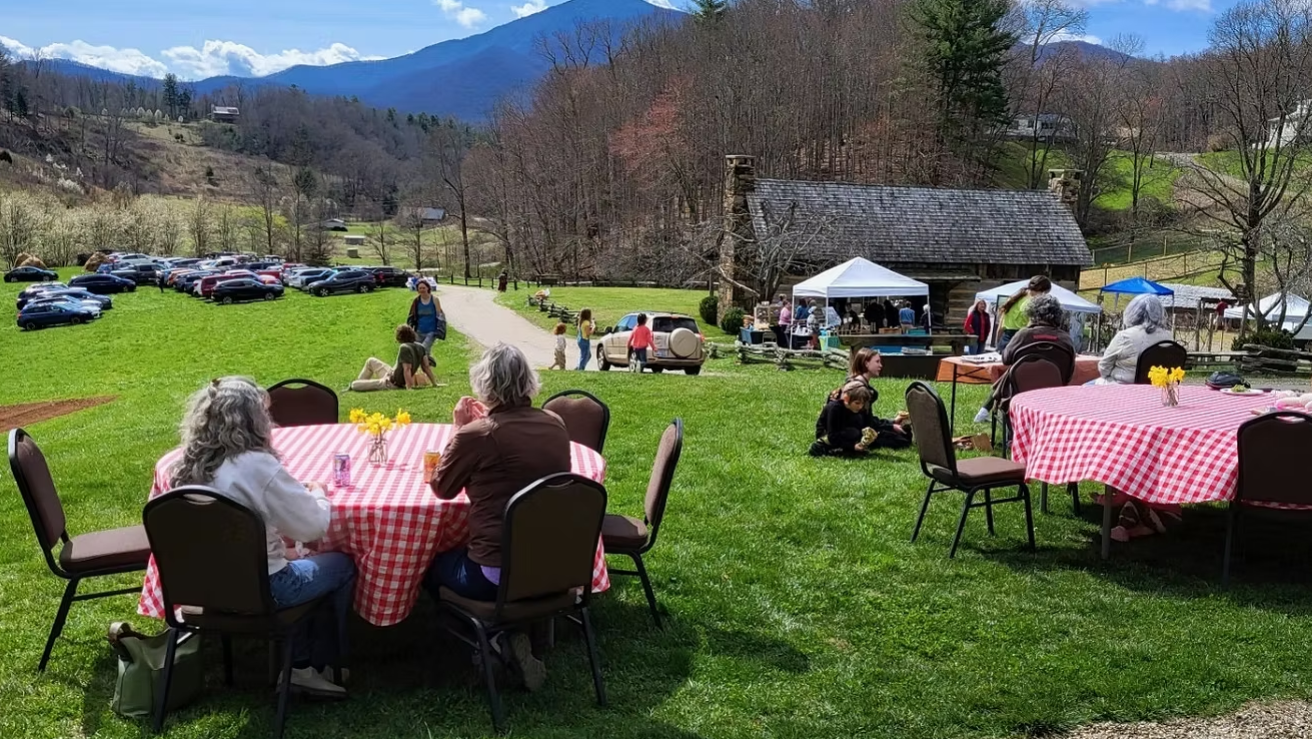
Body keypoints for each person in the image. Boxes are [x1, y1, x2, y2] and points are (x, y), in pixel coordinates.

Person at [169, 377, 355, 698]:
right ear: (253, 419)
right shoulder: (256, 466)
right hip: (264, 590)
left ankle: (297, 659)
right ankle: (309, 667)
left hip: (201, 587)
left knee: (299, 560)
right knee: (340, 563)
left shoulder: (186, 466)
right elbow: (311, 527)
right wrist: (320, 494)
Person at [426, 343, 570, 691]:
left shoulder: (480, 434)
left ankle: (491, 639)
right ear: (528, 382)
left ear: (486, 385)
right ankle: (518, 633)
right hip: (556, 565)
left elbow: (442, 488)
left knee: (429, 567)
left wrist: (460, 430)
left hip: (497, 573)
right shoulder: (556, 423)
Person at [973, 294, 1072, 423]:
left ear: (1031, 314)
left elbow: (1006, 359)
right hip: (1053, 396)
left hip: (1020, 394)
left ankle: (1010, 434)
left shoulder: (1024, 335)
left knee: (1009, 376)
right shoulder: (1066, 339)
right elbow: (1069, 373)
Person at [824, 348, 913, 448]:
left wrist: (892, 422)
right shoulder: (859, 389)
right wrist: (890, 426)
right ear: (866, 363)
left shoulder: (856, 383)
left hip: (855, 427)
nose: (880, 365)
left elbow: (866, 418)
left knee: (901, 434)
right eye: (877, 362)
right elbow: (865, 422)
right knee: (902, 439)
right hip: (850, 432)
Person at [1093, 294, 1168, 385]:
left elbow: (1103, 368)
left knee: (1085, 387)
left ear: (1134, 312)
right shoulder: (1169, 337)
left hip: (1123, 388)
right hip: (1158, 388)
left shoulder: (1124, 336)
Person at [349, 325, 437, 392]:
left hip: (391, 383)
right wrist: (434, 383)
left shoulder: (404, 347)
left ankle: (358, 384)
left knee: (354, 385)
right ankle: (362, 381)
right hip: (390, 373)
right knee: (370, 361)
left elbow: (407, 369)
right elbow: (426, 367)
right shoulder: (421, 347)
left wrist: (409, 387)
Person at [810, 383, 879, 456]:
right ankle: (828, 448)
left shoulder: (860, 409)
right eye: (857, 403)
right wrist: (852, 446)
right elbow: (832, 436)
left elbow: (867, 425)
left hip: (846, 431)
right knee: (853, 433)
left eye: (862, 404)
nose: (860, 406)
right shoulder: (834, 408)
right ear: (846, 399)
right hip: (829, 434)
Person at [996, 275, 1052, 355]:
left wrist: (998, 344)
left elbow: (1000, 327)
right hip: (1020, 340)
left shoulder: (1013, 298)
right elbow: (1030, 326)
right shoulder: (1033, 304)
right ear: (1042, 291)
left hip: (1005, 339)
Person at [406, 281, 444, 356]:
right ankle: (427, 366)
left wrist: (440, 329)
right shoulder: (416, 301)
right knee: (418, 351)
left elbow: (440, 316)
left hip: (431, 331)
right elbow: (411, 316)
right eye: (420, 288)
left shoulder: (434, 299)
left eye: (424, 288)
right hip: (419, 331)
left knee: (424, 348)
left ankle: (428, 365)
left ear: (428, 288)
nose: (422, 290)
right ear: (417, 290)